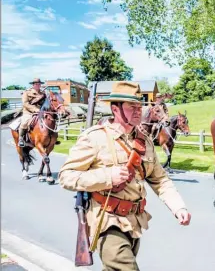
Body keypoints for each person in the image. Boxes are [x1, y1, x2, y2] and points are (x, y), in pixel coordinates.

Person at [58, 81, 191, 271]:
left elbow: (160, 179)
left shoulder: (145, 141)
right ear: (115, 109)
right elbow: (66, 176)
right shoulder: (95, 137)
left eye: (139, 106)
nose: (138, 111)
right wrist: (107, 176)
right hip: (106, 221)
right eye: (131, 106)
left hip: (135, 221)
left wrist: (178, 207)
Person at [18, 78, 46, 147]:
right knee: (25, 122)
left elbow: (45, 103)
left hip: (41, 112)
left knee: (50, 121)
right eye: (36, 84)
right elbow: (25, 103)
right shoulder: (27, 92)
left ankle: (52, 138)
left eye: (39, 84)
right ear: (33, 85)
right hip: (29, 112)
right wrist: (35, 110)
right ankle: (21, 139)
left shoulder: (43, 93)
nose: (38, 85)